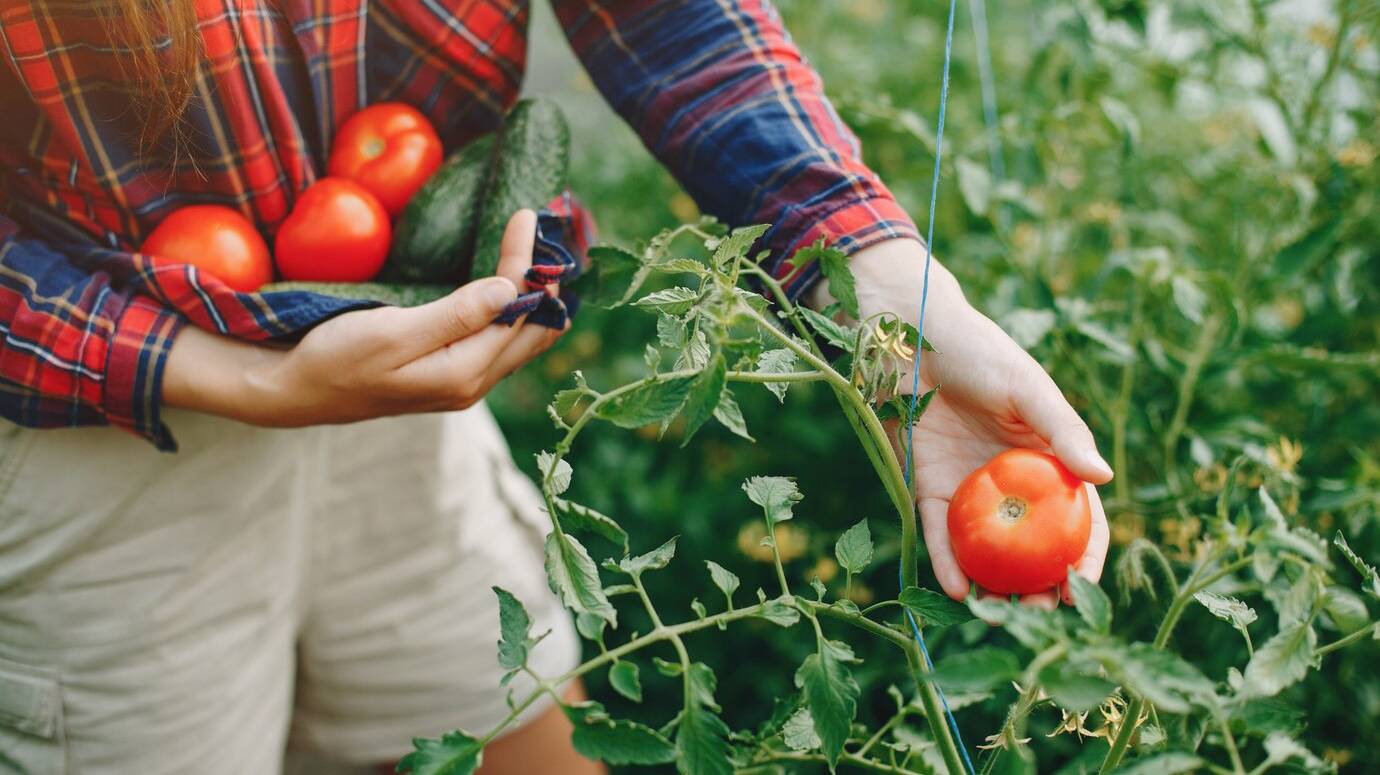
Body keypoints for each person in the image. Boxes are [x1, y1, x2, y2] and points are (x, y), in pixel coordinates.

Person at [0, 1, 1112, 773]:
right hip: (98, 427)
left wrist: (877, 274)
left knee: (522, 731)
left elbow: (662, 13)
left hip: (401, 367)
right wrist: (221, 370)